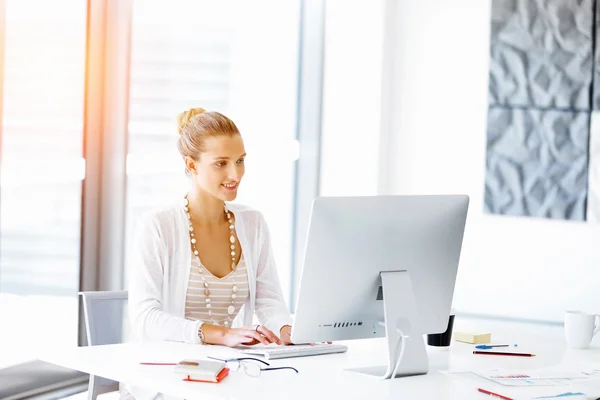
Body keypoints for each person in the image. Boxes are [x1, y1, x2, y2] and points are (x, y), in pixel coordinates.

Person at [123, 108, 293, 400]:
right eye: (221, 163)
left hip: (227, 376)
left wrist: (287, 329)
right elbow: (144, 318)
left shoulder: (252, 223)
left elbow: (270, 300)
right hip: (164, 380)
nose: (234, 174)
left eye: (240, 161)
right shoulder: (158, 225)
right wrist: (222, 334)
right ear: (191, 164)